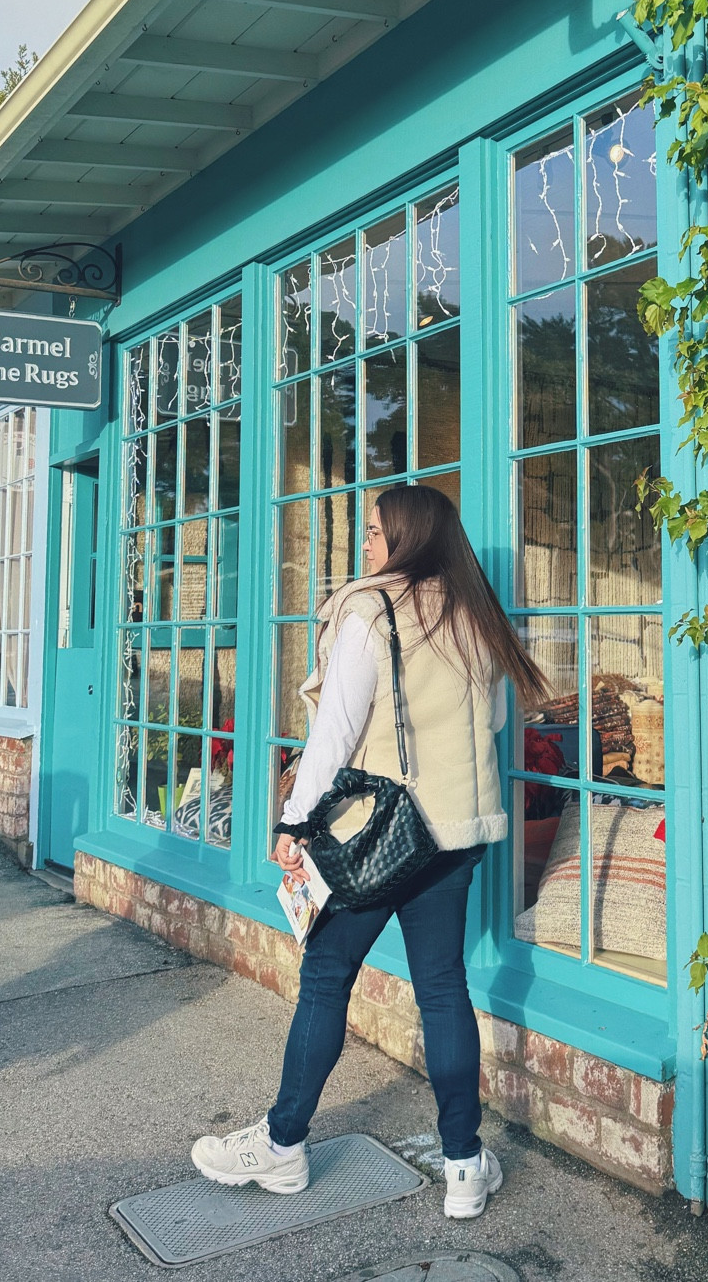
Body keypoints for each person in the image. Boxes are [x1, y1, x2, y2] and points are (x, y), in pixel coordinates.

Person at [190, 485, 548, 1218]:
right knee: (444, 986)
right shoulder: (477, 616)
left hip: (381, 833)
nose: (367, 544)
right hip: (457, 834)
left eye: (378, 531)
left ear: (410, 537)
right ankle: (463, 1166)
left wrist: (292, 822)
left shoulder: (371, 611)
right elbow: (498, 718)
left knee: (325, 976)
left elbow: (334, 736)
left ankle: (283, 1145)